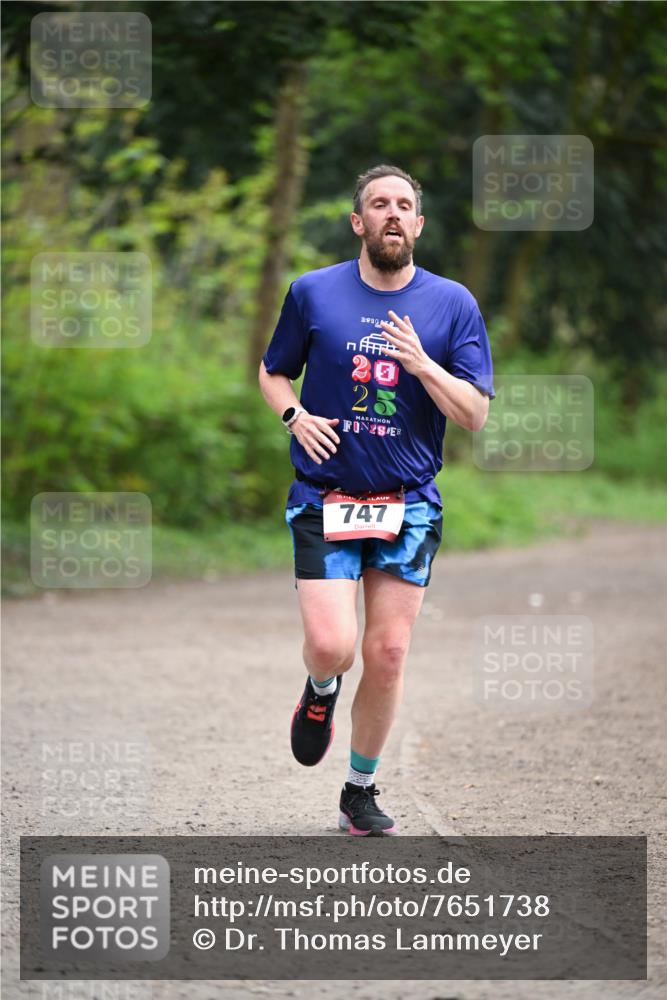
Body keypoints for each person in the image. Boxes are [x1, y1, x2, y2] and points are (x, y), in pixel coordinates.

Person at [258, 164, 495, 836]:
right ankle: (321, 687)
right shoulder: (313, 293)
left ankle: (358, 790)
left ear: (418, 223)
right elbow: (273, 371)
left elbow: (474, 414)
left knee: (387, 653)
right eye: (377, 204)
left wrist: (422, 365)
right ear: (357, 222)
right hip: (324, 494)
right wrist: (293, 415)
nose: (392, 214)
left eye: (404, 205)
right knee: (332, 645)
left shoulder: (452, 305)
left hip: (408, 502)